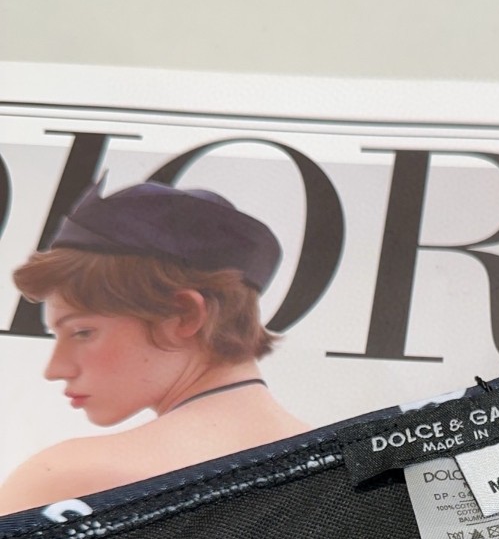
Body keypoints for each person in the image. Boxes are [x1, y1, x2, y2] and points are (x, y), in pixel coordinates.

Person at [0, 180, 311, 515]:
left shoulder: (67, 479)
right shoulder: (345, 473)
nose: (55, 369)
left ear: (184, 314)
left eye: (82, 332)